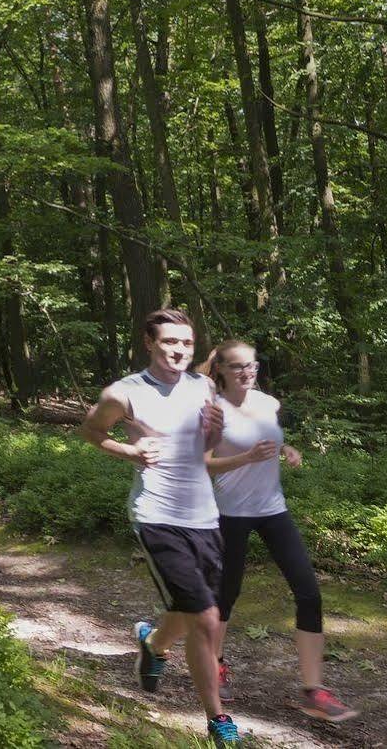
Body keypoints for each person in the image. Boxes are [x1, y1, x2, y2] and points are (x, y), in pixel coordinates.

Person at [78, 308, 240, 747]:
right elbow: (92, 431)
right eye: (169, 342)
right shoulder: (123, 393)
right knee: (206, 616)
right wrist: (127, 451)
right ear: (149, 343)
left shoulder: (203, 387)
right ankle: (217, 720)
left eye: (186, 343)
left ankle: (153, 643)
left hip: (204, 516)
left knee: (190, 611)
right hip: (156, 516)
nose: (178, 351)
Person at [200, 340, 359, 724]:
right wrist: (245, 458)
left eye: (252, 365)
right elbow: (204, 464)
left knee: (309, 592)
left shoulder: (268, 403)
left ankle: (313, 690)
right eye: (237, 366)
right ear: (220, 369)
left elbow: (269, 437)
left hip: (273, 509)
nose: (247, 372)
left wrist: (287, 450)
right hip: (230, 513)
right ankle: (216, 663)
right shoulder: (212, 411)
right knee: (227, 594)